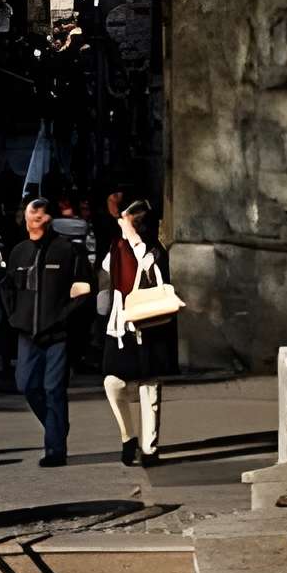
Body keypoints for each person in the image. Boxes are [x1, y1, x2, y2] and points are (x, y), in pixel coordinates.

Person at [0, 195, 99, 465]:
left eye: (42, 214)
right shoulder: (19, 252)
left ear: (51, 219)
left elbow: (85, 289)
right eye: (32, 214)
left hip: (58, 335)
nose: (36, 219)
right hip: (27, 334)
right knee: (27, 385)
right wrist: (15, 317)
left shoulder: (68, 251)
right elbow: (7, 288)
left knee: (53, 389)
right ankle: (58, 426)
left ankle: (55, 449)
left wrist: (65, 317)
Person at [97, 196, 179, 466]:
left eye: (125, 219)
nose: (120, 223)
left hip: (149, 324)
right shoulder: (117, 246)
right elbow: (107, 269)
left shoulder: (153, 250)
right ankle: (127, 437)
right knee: (113, 382)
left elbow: (150, 272)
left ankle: (149, 448)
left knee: (149, 386)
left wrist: (134, 240)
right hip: (120, 326)